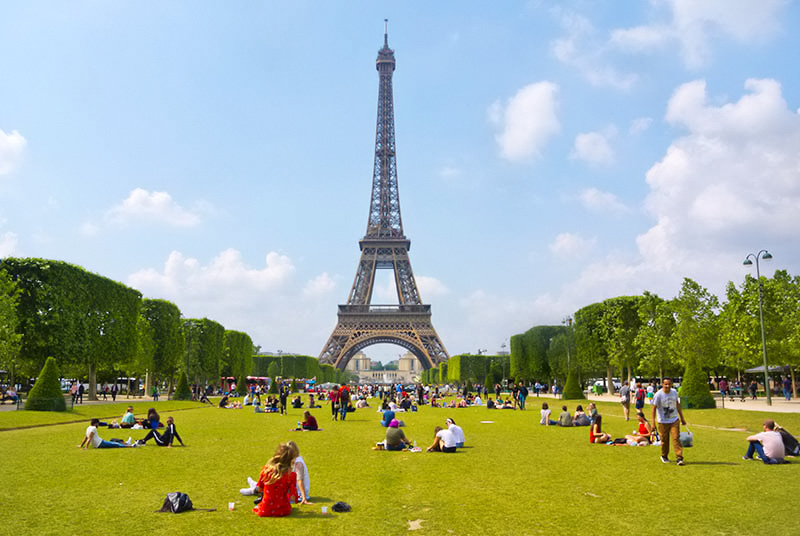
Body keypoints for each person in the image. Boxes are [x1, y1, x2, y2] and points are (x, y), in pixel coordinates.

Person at [252, 443, 311, 517]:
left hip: (265, 510)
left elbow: (260, 489)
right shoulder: (291, 475)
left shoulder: (266, 470)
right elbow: (294, 497)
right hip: (283, 510)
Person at [651, 378, 687, 465]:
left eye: (669, 384)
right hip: (662, 421)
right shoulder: (658, 395)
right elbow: (653, 408)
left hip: (674, 419)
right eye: (665, 384)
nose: (667, 386)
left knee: (676, 438)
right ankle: (664, 455)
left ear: (671, 384)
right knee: (664, 440)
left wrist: (682, 418)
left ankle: (679, 457)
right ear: (662, 384)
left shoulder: (674, 392)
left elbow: (677, 405)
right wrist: (653, 422)